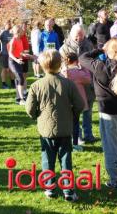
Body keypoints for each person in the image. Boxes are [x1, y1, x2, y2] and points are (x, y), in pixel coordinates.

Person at [25, 49, 84, 201]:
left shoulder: (36, 85)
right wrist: (72, 115)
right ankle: (68, 191)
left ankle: (49, 187)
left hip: (46, 130)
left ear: (42, 65)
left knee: (47, 159)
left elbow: (29, 109)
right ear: (60, 64)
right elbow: (80, 104)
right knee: (66, 160)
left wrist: (37, 116)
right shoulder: (69, 84)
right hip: (65, 129)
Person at [79, 37, 117, 191]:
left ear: (109, 51)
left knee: (111, 147)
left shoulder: (100, 66)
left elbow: (83, 57)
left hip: (108, 112)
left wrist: (101, 49)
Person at [59, 24, 96, 144]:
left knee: (88, 110)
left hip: (87, 82)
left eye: (81, 35)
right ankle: (77, 135)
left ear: (84, 34)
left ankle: (88, 134)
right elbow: (61, 64)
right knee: (75, 112)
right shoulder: (64, 48)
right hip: (72, 85)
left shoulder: (89, 45)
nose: (78, 38)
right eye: (76, 36)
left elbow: (94, 61)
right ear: (71, 35)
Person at [61, 52, 91, 152]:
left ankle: (66, 142)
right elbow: (88, 79)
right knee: (75, 123)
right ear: (76, 61)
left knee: (66, 123)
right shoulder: (78, 73)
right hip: (76, 102)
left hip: (65, 101)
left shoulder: (62, 72)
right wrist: (83, 67)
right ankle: (75, 142)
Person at [8, 25, 35, 105]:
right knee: (20, 78)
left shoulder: (19, 40)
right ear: (18, 31)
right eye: (22, 30)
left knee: (19, 79)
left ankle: (18, 99)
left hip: (18, 60)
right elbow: (10, 53)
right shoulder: (13, 40)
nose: (23, 31)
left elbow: (21, 52)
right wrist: (16, 60)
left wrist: (31, 56)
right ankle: (22, 99)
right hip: (13, 61)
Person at [0, 20, 15, 89]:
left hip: (11, 55)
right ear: (5, 25)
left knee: (11, 69)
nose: (9, 25)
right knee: (4, 69)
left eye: (10, 24)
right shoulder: (3, 32)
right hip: (4, 54)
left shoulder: (12, 32)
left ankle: (13, 83)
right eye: (8, 24)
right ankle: (4, 84)